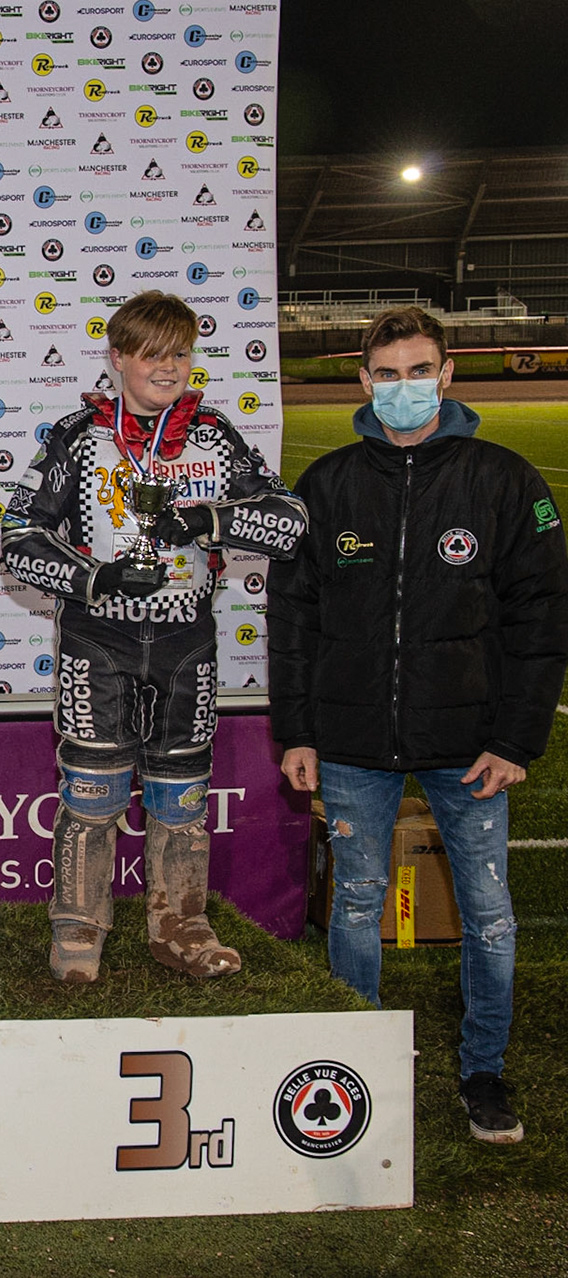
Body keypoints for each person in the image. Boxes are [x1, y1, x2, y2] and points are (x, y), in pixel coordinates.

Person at [270, 305, 568, 1144]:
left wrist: (515, 740)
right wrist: (298, 730)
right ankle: (356, 1061)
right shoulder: (326, 484)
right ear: (365, 381)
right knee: (356, 904)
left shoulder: (505, 480)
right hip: (353, 741)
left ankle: (484, 1072)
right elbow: (293, 620)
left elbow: (542, 619)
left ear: (446, 374)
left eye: (419, 371)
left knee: (490, 914)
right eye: (388, 373)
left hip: (469, 747)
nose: (405, 386)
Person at [0, 290, 306, 982]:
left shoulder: (215, 434)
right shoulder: (77, 435)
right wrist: (97, 578)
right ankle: (78, 930)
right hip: (97, 640)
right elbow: (17, 538)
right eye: (151, 355)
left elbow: (290, 522)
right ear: (118, 358)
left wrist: (209, 522)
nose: (168, 368)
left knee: (182, 795)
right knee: (91, 791)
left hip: (184, 641)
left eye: (180, 354)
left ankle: (181, 927)